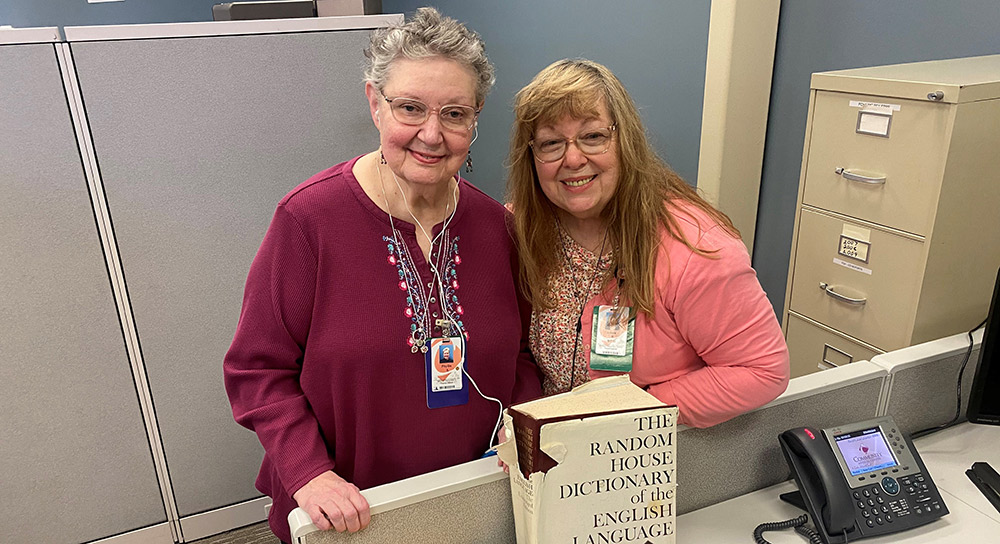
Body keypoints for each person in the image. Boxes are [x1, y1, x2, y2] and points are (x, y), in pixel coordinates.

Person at [224, 8, 542, 542]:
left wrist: (519, 426)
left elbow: (522, 356)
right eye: (410, 108)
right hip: (354, 512)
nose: (432, 134)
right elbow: (256, 370)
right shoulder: (308, 221)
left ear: (477, 117)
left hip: (475, 495)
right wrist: (308, 473)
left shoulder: (496, 227)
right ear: (374, 103)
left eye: (455, 113)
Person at [506, 59, 789, 429]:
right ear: (532, 157)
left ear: (625, 140)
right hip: (548, 449)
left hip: (640, 455)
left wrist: (626, 414)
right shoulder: (520, 230)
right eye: (551, 143)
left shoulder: (695, 248)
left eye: (593, 137)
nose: (573, 158)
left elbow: (762, 370)